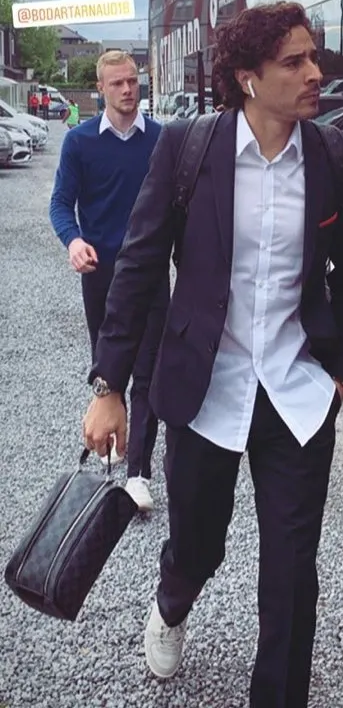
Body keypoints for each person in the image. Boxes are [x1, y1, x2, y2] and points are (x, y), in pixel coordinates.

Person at [82, 2, 343, 707]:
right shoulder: (188, 149)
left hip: (297, 392)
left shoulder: (336, 156)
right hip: (204, 387)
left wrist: (341, 372)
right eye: (295, 62)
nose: (315, 73)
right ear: (248, 79)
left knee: (290, 569)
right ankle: (172, 603)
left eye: (314, 56)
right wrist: (109, 383)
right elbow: (142, 266)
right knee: (198, 545)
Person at [50, 50, 169, 511]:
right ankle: (111, 434)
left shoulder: (160, 140)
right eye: (117, 83)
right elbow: (61, 203)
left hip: (152, 275)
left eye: (133, 81)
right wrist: (73, 241)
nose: (127, 89)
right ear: (100, 89)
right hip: (101, 274)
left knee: (150, 373)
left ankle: (138, 473)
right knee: (108, 365)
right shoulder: (80, 143)